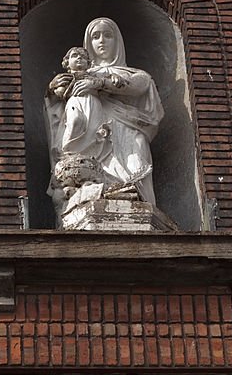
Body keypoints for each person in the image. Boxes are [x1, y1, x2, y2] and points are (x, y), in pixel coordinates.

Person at [45, 18, 164, 222]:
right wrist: (53, 91)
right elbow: (59, 108)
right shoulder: (78, 74)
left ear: (117, 41)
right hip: (93, 134)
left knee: (136, 161)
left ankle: (139, 206)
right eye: (95, 36)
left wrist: (99, 84)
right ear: (87, 43)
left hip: (127, 130)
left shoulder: (133, 74)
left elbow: (139, 85)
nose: (102, 41)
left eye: (108, 35)